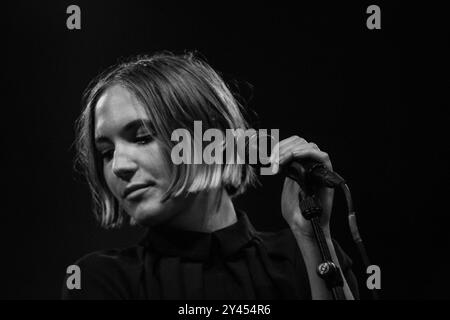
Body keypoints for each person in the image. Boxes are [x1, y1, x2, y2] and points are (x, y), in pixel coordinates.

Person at [62, 51, 359, 300]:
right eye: (106, 152)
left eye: (142, 137)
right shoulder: (102, 282)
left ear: (211, 139)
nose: (118, 166)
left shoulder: (301, 258)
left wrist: (312, 238)